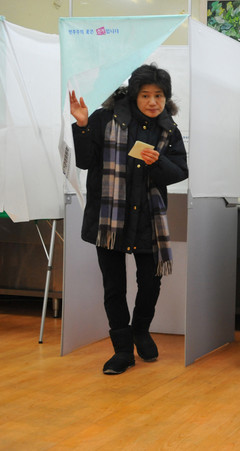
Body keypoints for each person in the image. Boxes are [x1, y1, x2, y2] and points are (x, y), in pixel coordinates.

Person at [69, 64, 188, 375]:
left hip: (148, 218)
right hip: (108, 218)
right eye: (146, 95)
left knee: (150, 282)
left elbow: (180, 171)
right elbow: (84, 162)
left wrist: (158, 161)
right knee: (114, 287)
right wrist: (81, 126)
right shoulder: (103, 119)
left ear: (166, 98)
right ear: (134, 95)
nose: (152, 102)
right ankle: (122, 350)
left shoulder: (168, 128)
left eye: (159, 96)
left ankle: (141, 330)